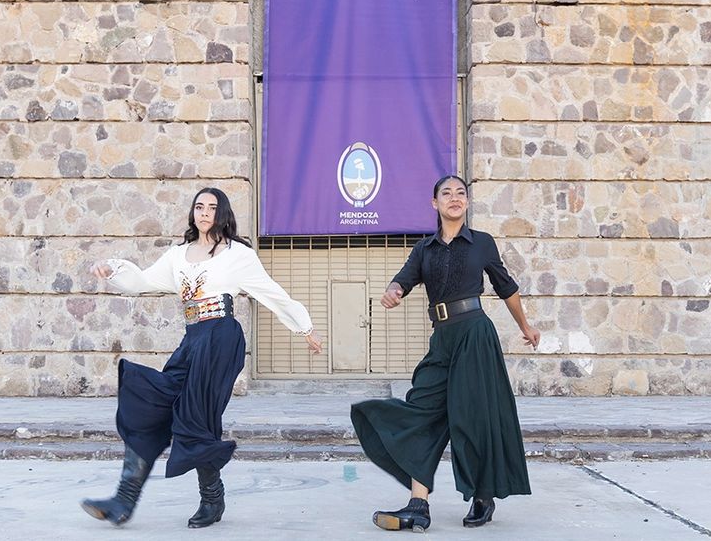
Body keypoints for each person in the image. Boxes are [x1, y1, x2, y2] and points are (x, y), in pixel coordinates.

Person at [81, 187, 323, 529]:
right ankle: (124, 499)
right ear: (193, 213)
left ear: (221, 213)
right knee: (156, 403)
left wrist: (304, 327)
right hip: (193, 339)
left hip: (222, 338)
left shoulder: (238, 254)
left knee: (197, 416)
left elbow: (271, 292)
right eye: (199, 206)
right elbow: (143, 281)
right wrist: (113, 267)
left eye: (212, 207)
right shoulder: (178, 255)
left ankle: (211, 498)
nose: (205, 212)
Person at [351, 175, 540, 531]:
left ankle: (483, 495)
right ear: (434, 203)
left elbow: (506, 287)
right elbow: (403, 279)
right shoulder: (424, 249)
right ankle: (418, 506)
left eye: (460, 193)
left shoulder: (482, 243)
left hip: (475, 335)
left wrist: (525, 326)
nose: (454, 197)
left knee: (474, 417)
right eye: (446, 193)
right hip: (442, 339)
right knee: (421, 411)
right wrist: (393, 291)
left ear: (466, 202)